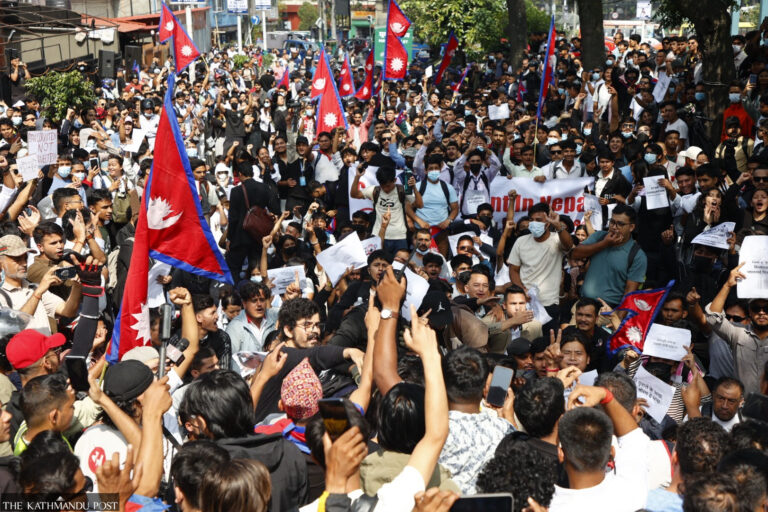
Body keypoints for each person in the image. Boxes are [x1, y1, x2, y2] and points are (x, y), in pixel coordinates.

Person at [572, 204, 647, 307]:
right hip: (584, 305)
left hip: (608, 312)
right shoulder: (599, 237)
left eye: (620, 224)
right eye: (612, 222)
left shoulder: (637, 256)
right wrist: (604, 244)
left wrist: (617, 319)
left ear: (631, 227)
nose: (614, 227)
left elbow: (629, 294)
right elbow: (575, 253)